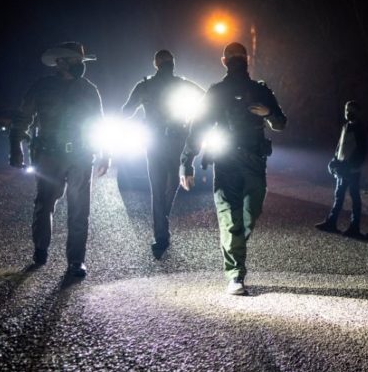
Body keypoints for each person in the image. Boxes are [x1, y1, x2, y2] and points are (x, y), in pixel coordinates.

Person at [179, 42, 286, 296]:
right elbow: (199, 128)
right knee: (230, 219)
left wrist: (269, 112)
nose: (237, 63)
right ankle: (235, 274)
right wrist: (187, 161)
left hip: (254, 161)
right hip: (226, 161)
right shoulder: (217, 92)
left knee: (251, 212)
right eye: (234, 59)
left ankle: (235, 249)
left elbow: (281, 123)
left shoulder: (260, 90)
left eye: (240, 58)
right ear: (227, 62)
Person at [9, 42, 109, 277]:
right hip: (49, 156)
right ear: (60, 62)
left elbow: (99, 123)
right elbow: (22, 117)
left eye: (81, 62)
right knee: (44, 204)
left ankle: (76, 261)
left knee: (79, 209)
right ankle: (40, 248)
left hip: (81, 156)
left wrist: (106, 153)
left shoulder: (89, 89)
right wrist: (16, 147)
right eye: (75, 61)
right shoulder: (42, 87)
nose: (80, 66)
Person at [122, 49, 204, 259]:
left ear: (155, 64)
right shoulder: (181, 85)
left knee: (159, 189)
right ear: (171, 64)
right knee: (168, 187)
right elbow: (207, 100)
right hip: (174, 142)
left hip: (157, 143)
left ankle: (161, 233)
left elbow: (127, 110)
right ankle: (161, 231)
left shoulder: (146, 86)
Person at [316, 101, 367, 236]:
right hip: (342, 168)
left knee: (354, 198)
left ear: (357, 111)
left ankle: (354, 227)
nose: (348, 112)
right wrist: (334, 161)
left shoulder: (360, 128)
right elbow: (340, 147)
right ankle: (332, 222)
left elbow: (362, 151)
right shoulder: (346, 126)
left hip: (351, 170)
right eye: (346, 110)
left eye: (351, 110)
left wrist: (351, 166)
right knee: (339, 196)